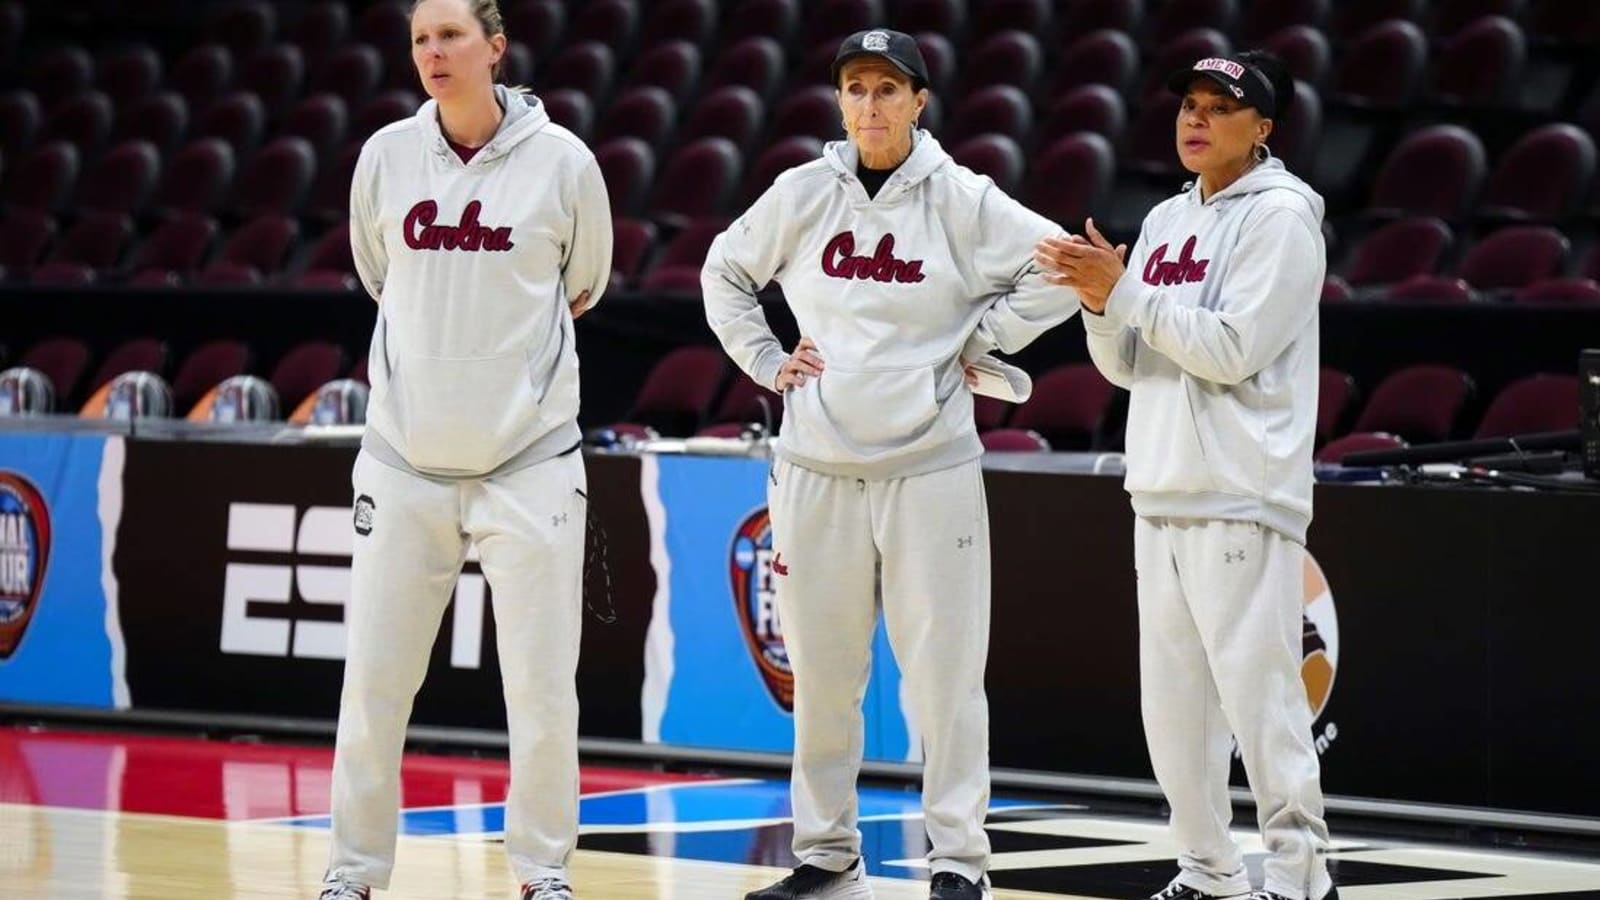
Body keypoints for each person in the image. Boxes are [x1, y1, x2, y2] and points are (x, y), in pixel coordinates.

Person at [702, 28, 1079, 900]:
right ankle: (827, 856)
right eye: (856, 89)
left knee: (944, 676)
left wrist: (982, 340)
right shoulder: (802, 192)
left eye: (887, 90)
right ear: (841, 102)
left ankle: (958, 862)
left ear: (919, 102)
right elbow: (724, 271)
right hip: (815, 465)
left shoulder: (961, 198)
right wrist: (767, 362)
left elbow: (1060, 266)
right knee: (822, 676)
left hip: (930, 469)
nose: (870, 105)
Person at [319, 0, 612, 897]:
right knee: (372, 686)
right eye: (419, 39)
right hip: (403, 464)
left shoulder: (565, 163)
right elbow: (380, 276)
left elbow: (585, 285)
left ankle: (542, 873)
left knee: (540, 692)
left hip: (530, 464)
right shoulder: (384, 159)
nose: (433, 53)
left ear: (496, 47)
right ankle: (353, 873)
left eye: (450, 35)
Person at [1034, 51, 1336, 900]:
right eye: (1188, 106)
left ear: (1263, 129)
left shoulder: (1281, 219)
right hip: (1161, 487)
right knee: (1175, 717)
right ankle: (1209, 872)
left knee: (1261, 703)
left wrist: (1124, 293)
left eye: (1219, 107)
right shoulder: (1167, 218)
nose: (1195, 120)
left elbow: (1234, 351)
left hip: (1242, 491)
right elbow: (1130, 365)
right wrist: (1099, 307)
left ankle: (1303, 878)